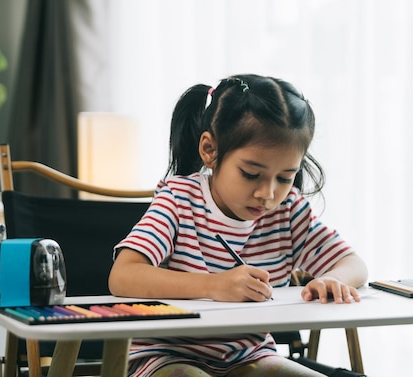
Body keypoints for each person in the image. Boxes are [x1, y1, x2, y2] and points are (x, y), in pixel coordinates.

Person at [109, 74, 368, 377]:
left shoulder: (288, 210)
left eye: (285, 178)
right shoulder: (179, 199)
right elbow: (123, 275)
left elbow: (354, 264)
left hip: (249, 354)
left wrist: (333, 280)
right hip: (163, 355)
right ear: (210, 150)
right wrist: (214, 286)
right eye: (250, 174)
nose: (267, 194)